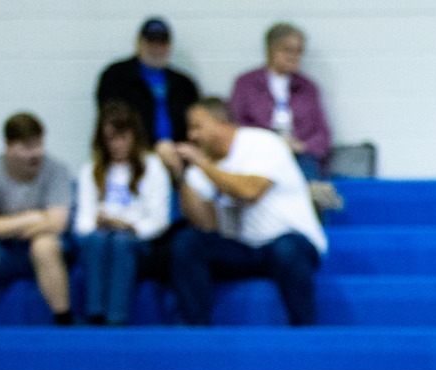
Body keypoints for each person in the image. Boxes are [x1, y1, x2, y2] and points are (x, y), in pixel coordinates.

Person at [165, 98, 325, 326]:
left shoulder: (262, 143)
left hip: (289, 241)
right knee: (187, 242)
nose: (192, 136)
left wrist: (202, 164)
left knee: (286, 250)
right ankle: (196, 333)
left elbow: (249, 191)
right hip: (242, 247)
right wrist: (181, 175)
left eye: (197, 127)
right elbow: (206, 224)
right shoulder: (204, 164)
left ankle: (304, 333)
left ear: (220, 123)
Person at [73, 101, 171, 325]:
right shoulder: (91, 170)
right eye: (111, 139)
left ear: (135, 136)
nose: (117, 145)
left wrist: (129, 226)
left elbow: (159, 220)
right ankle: (95, 313)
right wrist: (99, 222)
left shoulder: (153, 167)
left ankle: (117, 317)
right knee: (97, 240)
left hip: (138, 242)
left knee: (120, 242)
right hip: (101, 237)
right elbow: (82, 222)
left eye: (123, 137)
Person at [0, 113, 74, 325]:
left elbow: (57, 222)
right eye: (27, 147)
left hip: (44, 247)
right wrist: (30, 218)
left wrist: (4, 225)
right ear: (8, 146)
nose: (35, 153)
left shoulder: (56, 170)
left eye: (38, 144)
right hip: (3, 252)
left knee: (44, 245)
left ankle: (63, 319)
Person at [230, 23, 334, 184]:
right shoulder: (246, 84)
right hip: (259, 155)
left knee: (306, 180)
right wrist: (269, 143)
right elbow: (236, 126)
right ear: (270, 50)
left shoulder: (308, 87)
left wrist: (301, 146)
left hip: (299, 157)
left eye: (299, 51)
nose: (294, 56)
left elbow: (322, 134)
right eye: (288, 50)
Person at [95, 18, 200, 168]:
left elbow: (195, 124)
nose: (156, 48)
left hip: (178, 158)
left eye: (162, 42)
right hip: (132, 158)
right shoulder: (116, 77)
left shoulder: (184, 84)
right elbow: (113, 120)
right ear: (139, 44)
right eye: (151, 42)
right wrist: (152, 150)